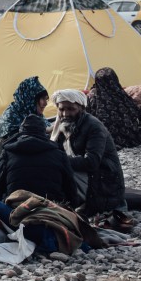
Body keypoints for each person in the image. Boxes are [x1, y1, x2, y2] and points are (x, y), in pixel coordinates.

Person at [50, 89, 129, 229]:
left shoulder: (94, 127)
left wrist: (59, 160)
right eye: (62, 109)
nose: (65, 113)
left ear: (81, 108)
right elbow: (54, 149)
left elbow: (91, 162)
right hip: (87, 174)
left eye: (71, 109)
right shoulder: (64, 124)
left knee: (60, 169)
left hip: (103, 178)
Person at [0, 114, 78, 204]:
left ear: (21, 132)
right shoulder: (59, 155)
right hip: (51, 209)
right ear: (44, 133)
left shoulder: (8, 154)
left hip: (15, 210)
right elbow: (71, 191)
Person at [0, 76, 48, 182]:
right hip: (9, 168)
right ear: (31, 98)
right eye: (42, 99)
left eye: (46, 99)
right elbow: (15, 145)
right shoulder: (11, 116)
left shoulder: (34, 114)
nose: (46, 103)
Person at [86, 67, 141, 149]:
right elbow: (134, 112)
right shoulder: (120, 93)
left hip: (102, 138)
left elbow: (87, 114)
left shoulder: (93, 95)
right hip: (129, 138)